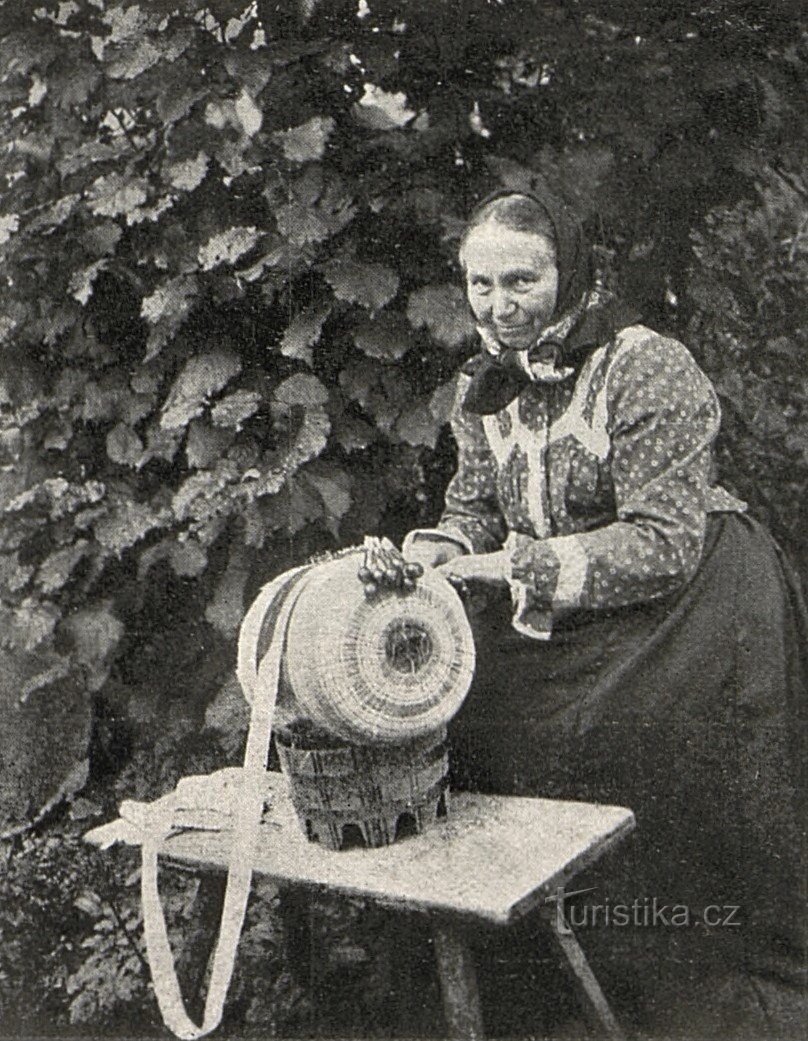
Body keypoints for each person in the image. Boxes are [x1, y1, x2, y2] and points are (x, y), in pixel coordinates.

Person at [402, 188, 807, 1039]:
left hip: (693, 600)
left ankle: (678, 984)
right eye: (480, 285)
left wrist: (520, 563)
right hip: (565, 604)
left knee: (630, 742)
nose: (501, 307)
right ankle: (547, 980)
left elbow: (664, 540)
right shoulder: (480, 382)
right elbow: (477, 505)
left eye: (522, 281)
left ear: (570, 272)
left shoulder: (643, 364)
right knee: (482, 723)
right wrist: (439, 551)